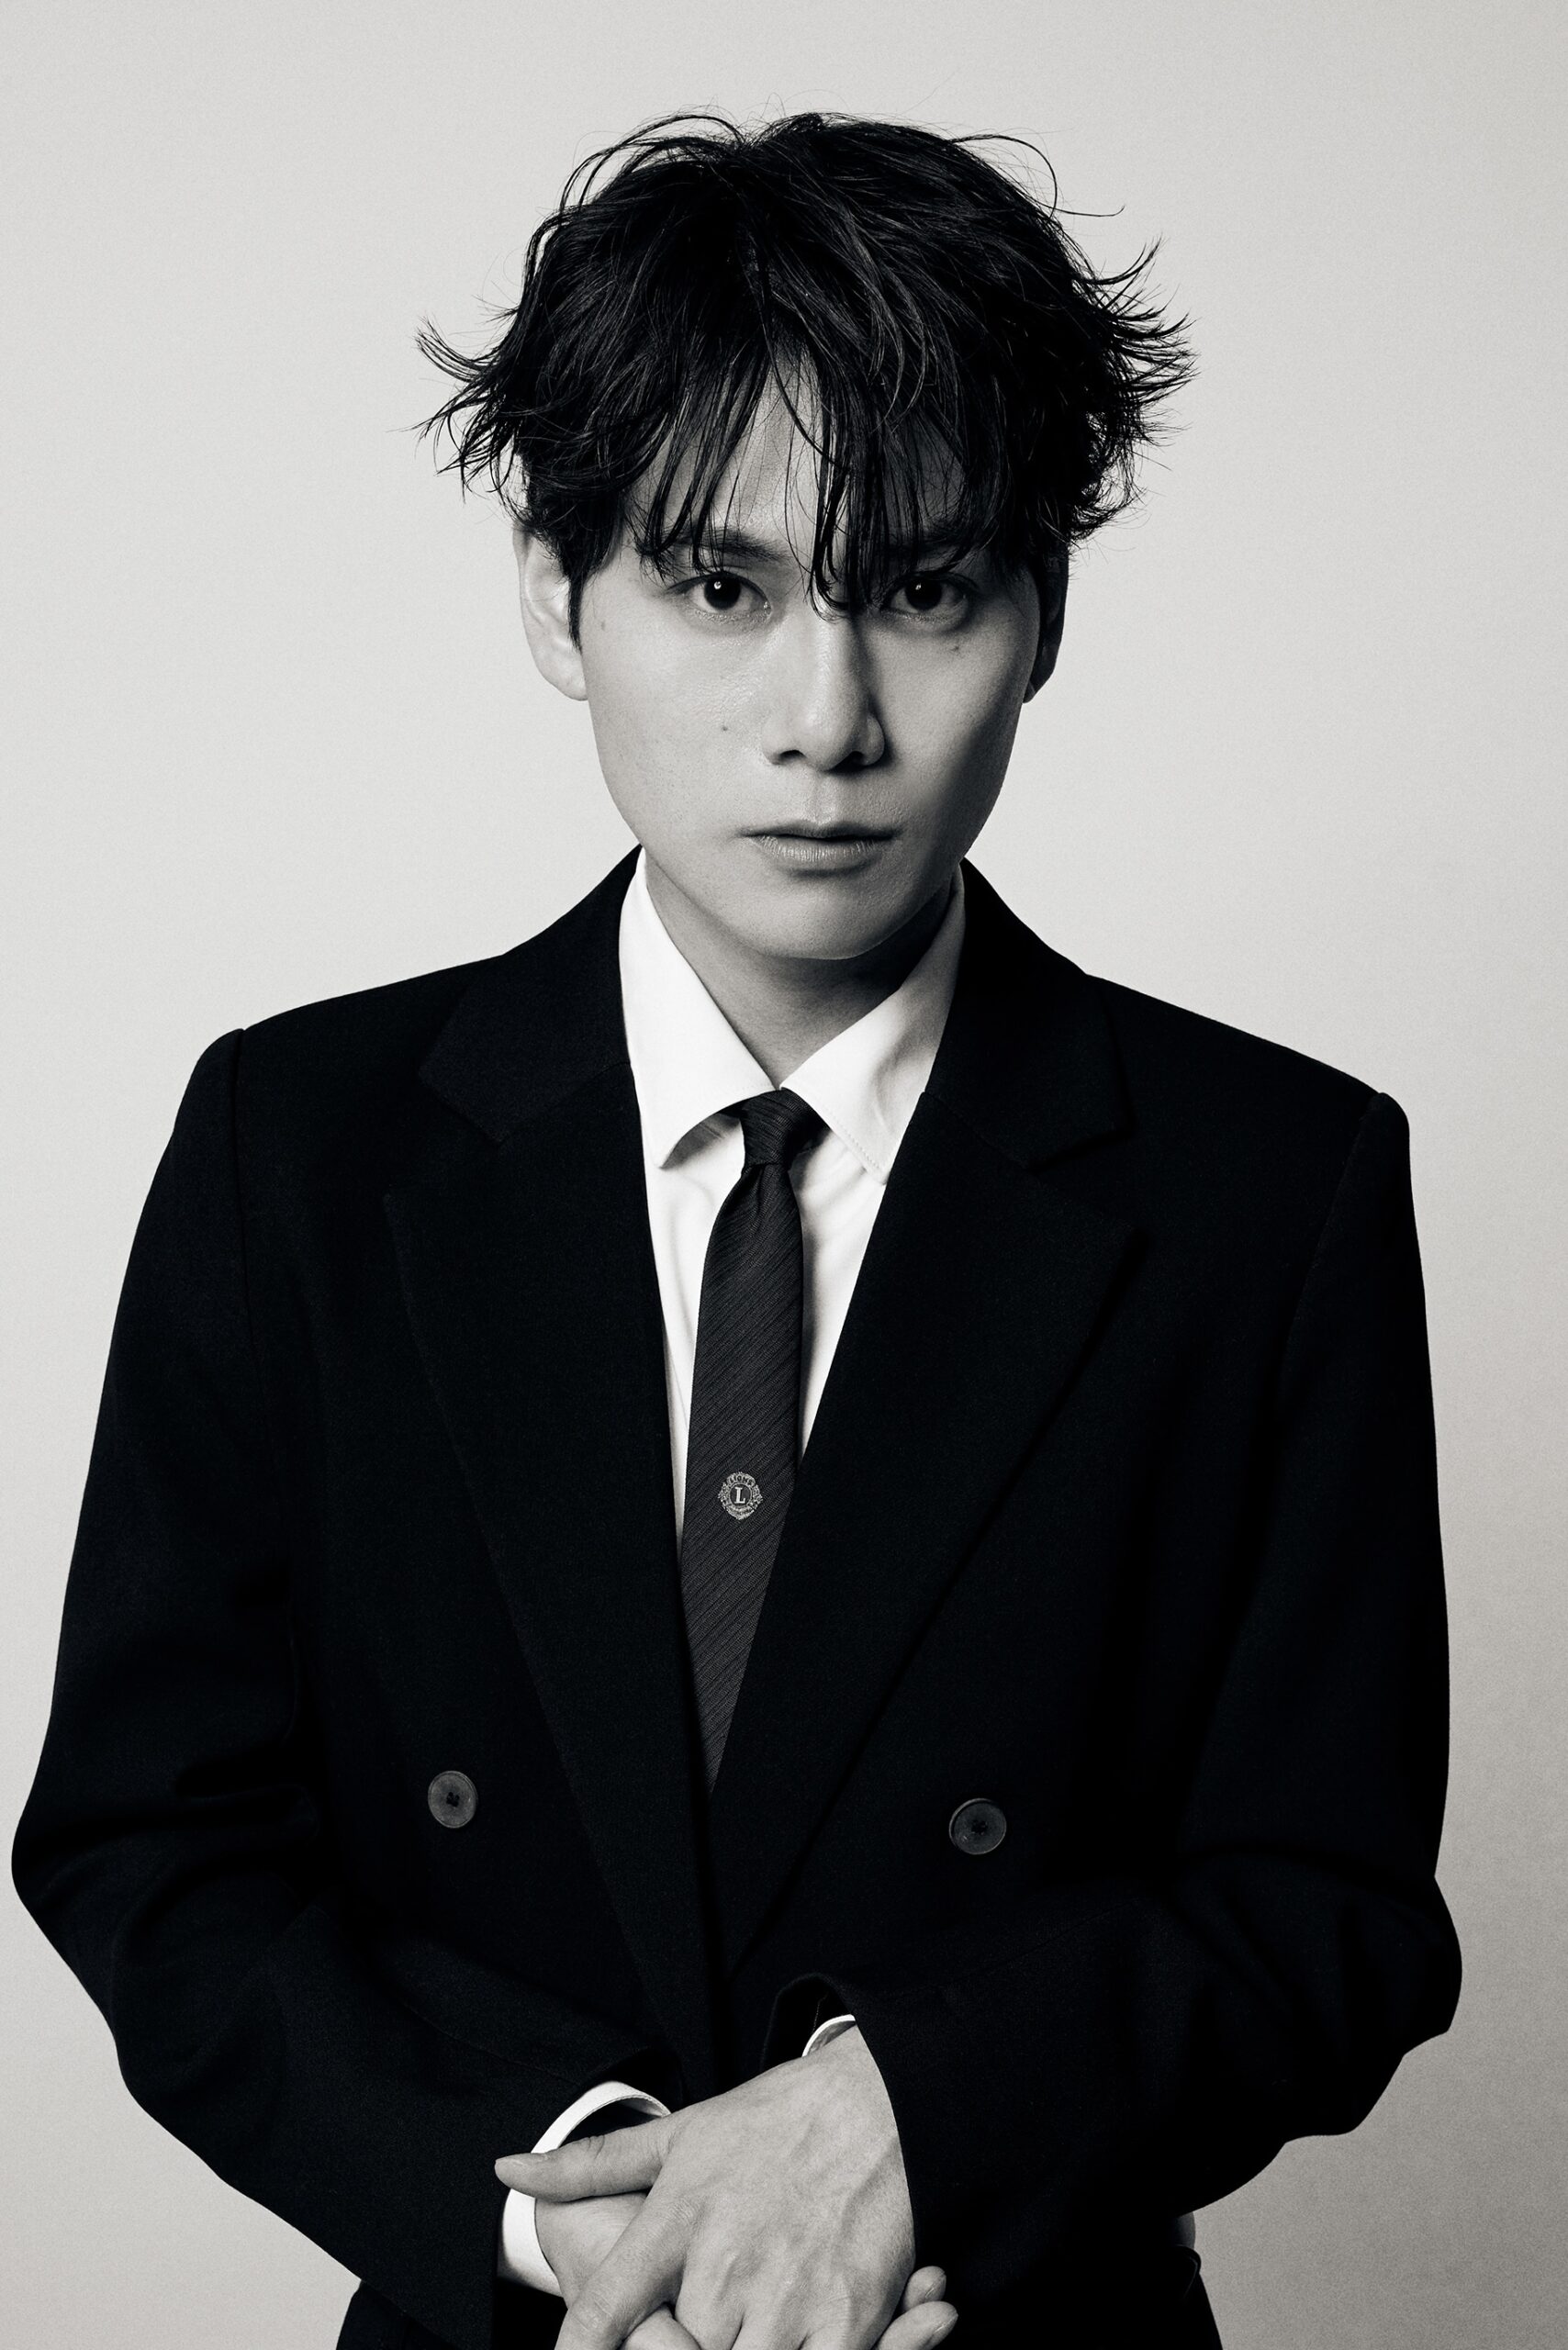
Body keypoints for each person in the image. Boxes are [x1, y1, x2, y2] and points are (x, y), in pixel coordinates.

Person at [13, 110, 1462, 2350]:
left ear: (1042, 612)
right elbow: (153, 1838)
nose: (825, 719)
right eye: (720, 586)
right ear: (553, 589)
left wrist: (909, 2101)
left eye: (922, 588)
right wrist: (583, 2199)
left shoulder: (1266, 1185)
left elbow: (1326, 1906)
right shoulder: (294, 1147)